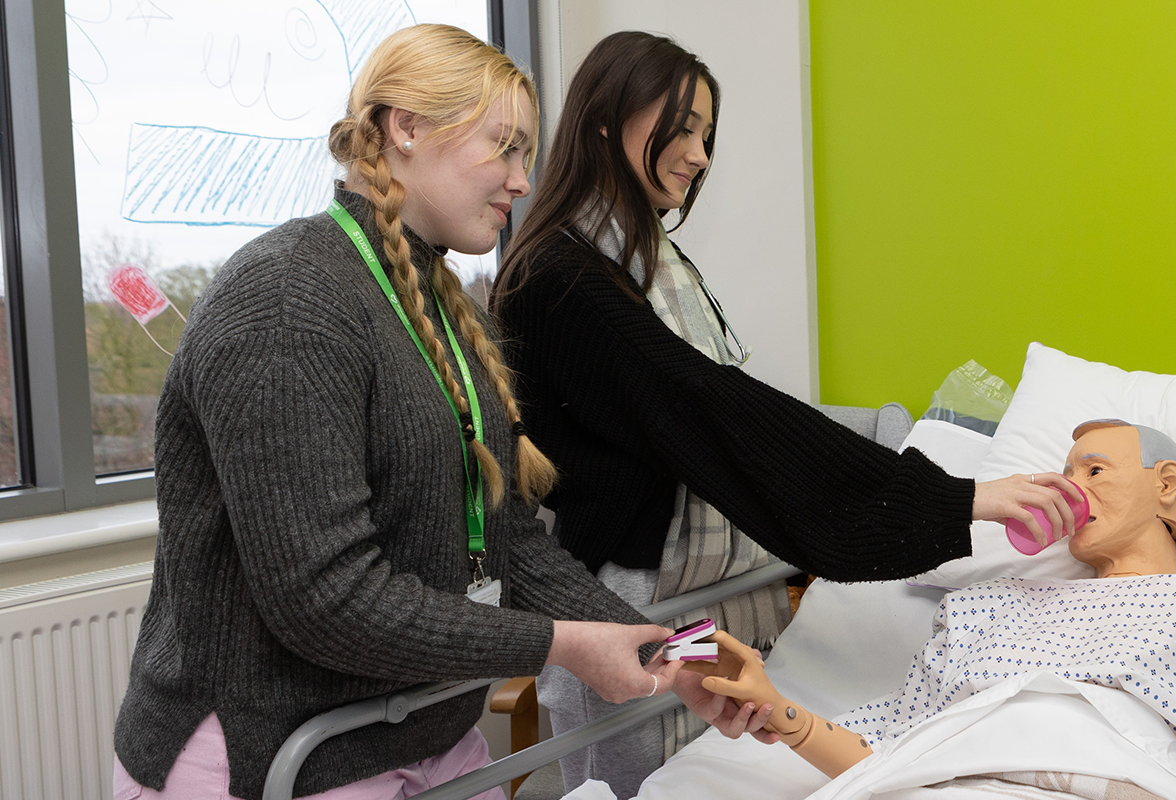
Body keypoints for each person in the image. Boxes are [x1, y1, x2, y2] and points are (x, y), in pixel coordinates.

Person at [109, 25, 765, 799]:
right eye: (505, 147)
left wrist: (671, 653)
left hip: (415, 731)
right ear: (406, 128)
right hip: (274, 754)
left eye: (527, 153)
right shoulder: (286, 299)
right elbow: (327, 600)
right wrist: (565, 644)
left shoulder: (451, 315)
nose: (523, 180)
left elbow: (512, 541)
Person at [488, 31, 1083, 796]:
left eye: (708, 132)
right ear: (606, 119)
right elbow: (706, 406)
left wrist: (901, 435)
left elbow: (725, 395)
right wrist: (956, 495)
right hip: (636, 605)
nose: (700, 154)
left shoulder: (649, 264)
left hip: (712, 599)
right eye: (685, 126)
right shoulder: (560, 279)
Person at [684, 420, 1176, 800]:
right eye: (1064, 469)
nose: (1067, 484)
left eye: (1094, 469)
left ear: (1165, 484)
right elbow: (890, 756)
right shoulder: (986, 608)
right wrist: (776, 707)